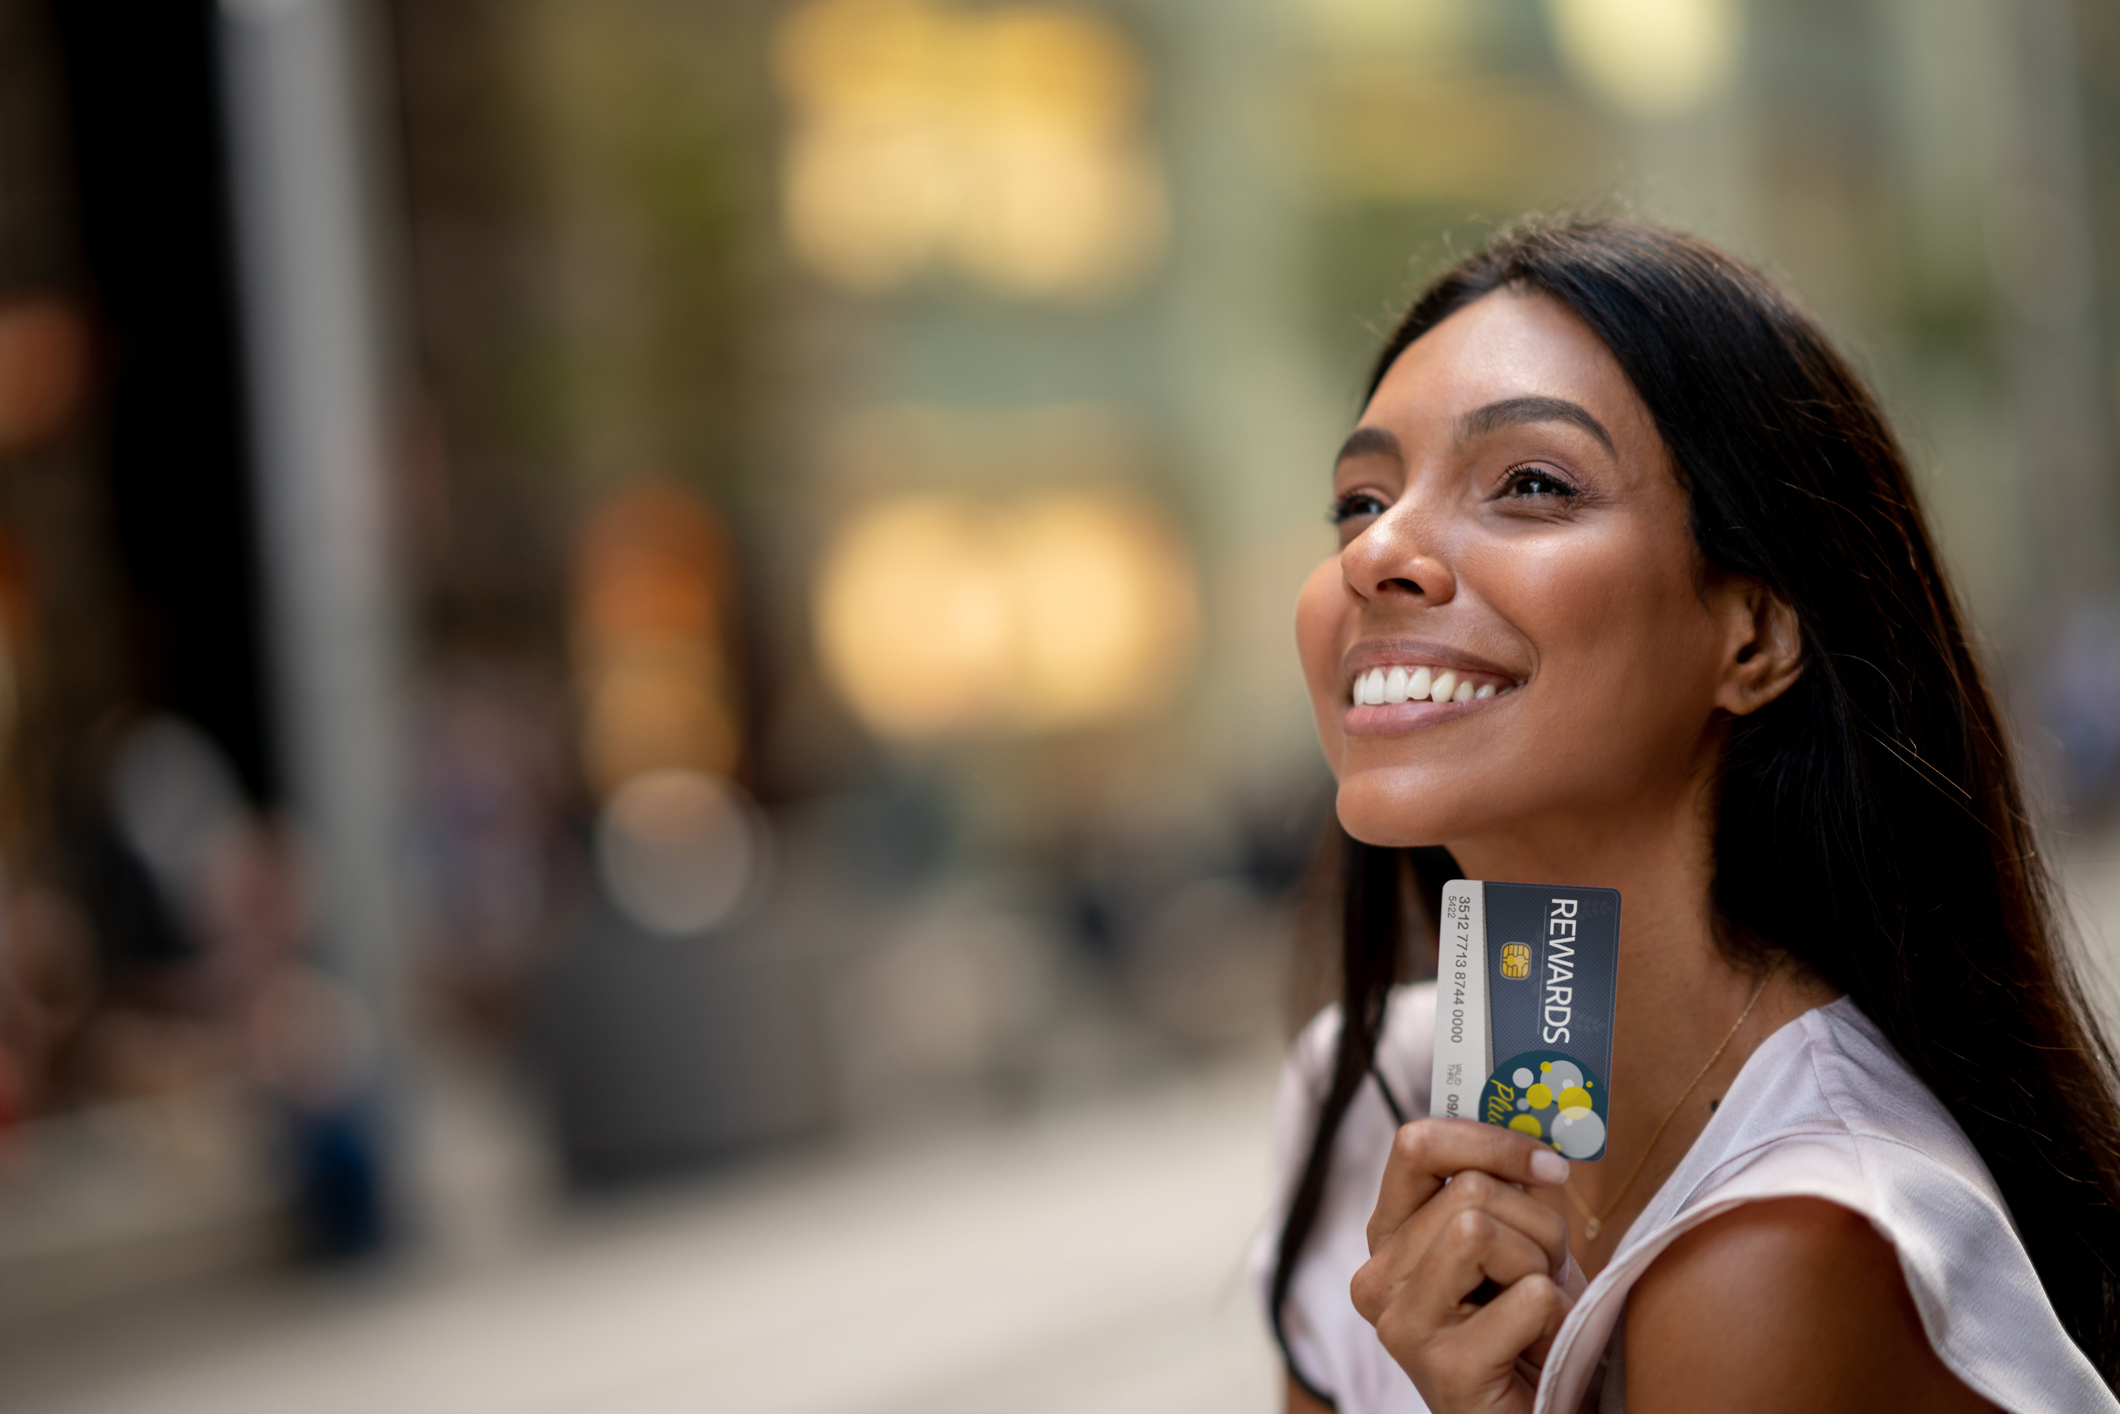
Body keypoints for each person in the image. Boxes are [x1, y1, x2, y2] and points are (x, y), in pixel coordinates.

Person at [1247, 217, 2120, 1414]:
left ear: (1751, 635)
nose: (1375, 553)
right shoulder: (1366, 1103)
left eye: (1530, 484)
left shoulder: (1790, 1247)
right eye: (1358, 499)